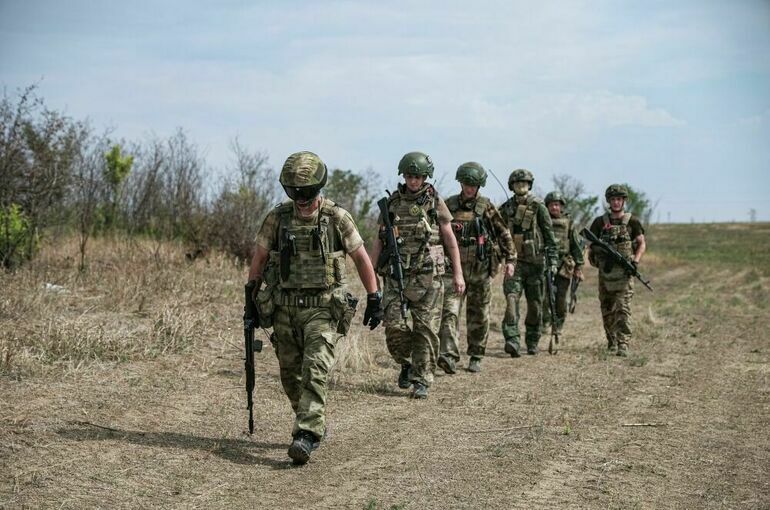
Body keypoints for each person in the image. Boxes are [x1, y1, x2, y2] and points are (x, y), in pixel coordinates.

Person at [247, 151, 383, 465]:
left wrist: (374, 297)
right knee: (290, 375)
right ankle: (314, 420)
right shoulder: (277, 217)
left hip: (324, 308)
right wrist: (251, 301)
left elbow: (361, 258)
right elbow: (260, 259)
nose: (302, 201)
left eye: (307, 194)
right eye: (295, 194)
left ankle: (305, 433)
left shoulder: (337, 217)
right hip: (284, 309)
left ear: (319, 188)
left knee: (315, 368)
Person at [370, 151, 465, 399]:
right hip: (395, 275)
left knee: (426, 330)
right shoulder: (391, 204)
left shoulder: (435, 202)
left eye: (418, 176)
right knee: (394, 326)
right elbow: (379, 240)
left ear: (425, 177)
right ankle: (407, 363)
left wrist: (458, 274)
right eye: (410, 176)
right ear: (403, 175)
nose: (413, 181)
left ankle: (422, 379)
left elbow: (450, 240)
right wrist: (371, 273)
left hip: (429, 276)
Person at [437, 162, 516, 374]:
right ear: (460, 183)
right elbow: (436, 233)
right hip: (453, 270)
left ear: (479, 185)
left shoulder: (486, 206)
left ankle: (476, 355)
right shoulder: (449, 205)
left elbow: (503, 233)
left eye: (473, 184)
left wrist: (510, 260)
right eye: (465, 183)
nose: (469, 188)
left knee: (479, 315)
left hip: (480, 270)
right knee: (449, 313)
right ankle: (448, 356)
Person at [498, 169, 559, 356]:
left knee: (535, 305)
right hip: (514, 263)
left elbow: (549, 235)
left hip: (536, 263)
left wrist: (553, 261)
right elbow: (497, 233)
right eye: (517, 183)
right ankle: (512, 340)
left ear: (529, 185)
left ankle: (532, 339)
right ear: (512, 186)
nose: (520, 186)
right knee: (511, 301)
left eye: (524, 183)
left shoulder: (538, 206)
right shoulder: (505, 208)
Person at [587, 184, 646, 357]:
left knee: (623, 308)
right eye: (613, 199)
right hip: (605, 274)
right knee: (607, 309)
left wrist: (635, 261)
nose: (616, 202)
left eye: (619, 199)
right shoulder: (599, 222)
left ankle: (623, 343)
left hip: (624, 273)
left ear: (624, 201)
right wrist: (599, 253)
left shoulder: (632, 221)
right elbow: (590, 245)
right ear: (608, 201)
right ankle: (611, 341)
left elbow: (641, 243)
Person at [542, 191, 585, 337]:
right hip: (545, 262)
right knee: (544, 295)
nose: (554, 208)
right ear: (546, 206)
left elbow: (575, 245)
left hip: (563, 264)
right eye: (551, 205)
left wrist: (579, 266)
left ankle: (559, 324)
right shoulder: (541, 221)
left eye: (557, 204)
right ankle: (545, 321)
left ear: (561, 206)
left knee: (561, 297)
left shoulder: (568, 223)